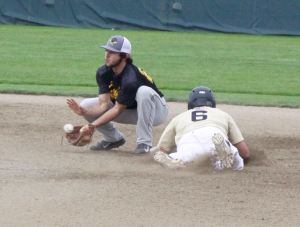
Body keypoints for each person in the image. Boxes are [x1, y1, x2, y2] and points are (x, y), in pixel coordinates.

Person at [67, 35, 168, 154]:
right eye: (106, 50)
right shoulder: (103, 72)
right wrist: (85, 112)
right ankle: (113, 139)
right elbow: (103, 105)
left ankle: (144, 143)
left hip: (156, 111)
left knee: (143, 91)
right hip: (131, 110)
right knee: (86, 105)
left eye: (112, 52)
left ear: (124, 56)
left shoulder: (130, 78)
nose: (107, 54)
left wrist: (91, 126)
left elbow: (117, 110)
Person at [152, 86, 250, 170]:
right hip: (214, 134)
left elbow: (162, 150)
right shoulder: (223, 114)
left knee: (181, 159)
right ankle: (225, 154)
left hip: (188, 141)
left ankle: (176, 160)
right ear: (212, 103)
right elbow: (245, 153)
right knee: (235, 164)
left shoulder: (179, 118)